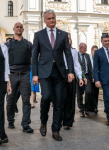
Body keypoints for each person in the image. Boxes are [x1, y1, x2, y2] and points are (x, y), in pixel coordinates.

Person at [32, 9, 74, 141]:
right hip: (44, 72)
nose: (51, 20)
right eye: (49, 18)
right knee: (46, 97)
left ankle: (56, 129)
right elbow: (34, 56)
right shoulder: (39, 35)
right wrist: (35, 74)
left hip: (59, 72)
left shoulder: (63, 35)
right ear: (44, 20)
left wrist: (70, 71)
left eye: (53, 18)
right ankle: (43, 122)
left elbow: (68, 54)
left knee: (59, 102)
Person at [6, 22, 34, 133]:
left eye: (20, 27)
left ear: (23, 29)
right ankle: (10, 120)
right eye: (17, 27)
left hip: (25, 74)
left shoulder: (28, 44)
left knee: (26, 100)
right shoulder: (8, 45)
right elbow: (4, 61)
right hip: (12, 74)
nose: (19, 28)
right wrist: (7, 79)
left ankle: (26, 124)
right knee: (10, 100)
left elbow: (32, 59)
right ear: (13, 29)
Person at [62, 34, 83, 130]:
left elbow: (76, 64)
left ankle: (68, 121)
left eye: (69, 39)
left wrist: (80, 77)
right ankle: (61, 118)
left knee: (70, 98)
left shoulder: (74, 51)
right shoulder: (58, 51)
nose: (67, 40)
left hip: (71, 73)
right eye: (66, 39)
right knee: (61, 98)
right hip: (61, 75)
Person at [77, 43, 94, 117]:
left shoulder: (87, 56)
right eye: (84, 48)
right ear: (80, 48)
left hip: (87, 76)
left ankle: (86, 107)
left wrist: (92, 77)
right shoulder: (76, 56)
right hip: (79, 77)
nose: (86, 49)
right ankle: (81, 110)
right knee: (79, 94)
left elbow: (90, 67)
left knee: (88, 92)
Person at [90, 45, 99, 113]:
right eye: (94, 51)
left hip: (97, 78)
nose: (95, 52)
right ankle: (90, 107)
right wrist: (92, 77)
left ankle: (95, 107)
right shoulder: (88, 57)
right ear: (91, 51)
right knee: (90, 93)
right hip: (90, 78)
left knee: (96, 93)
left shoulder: (98, 58)